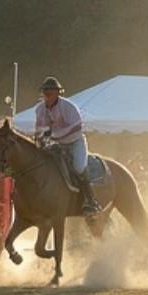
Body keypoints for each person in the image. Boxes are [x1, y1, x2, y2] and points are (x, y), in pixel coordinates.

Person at [34, 77, 98, 216]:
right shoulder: (39, 109)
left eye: (50, 93)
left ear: (58, 93)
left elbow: (76, 127)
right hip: (56, 144)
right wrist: (40, 139)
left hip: (75, 142)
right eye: (45, 93)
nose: (47, 96)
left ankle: (90, 201)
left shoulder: (69, 107)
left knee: (78, 167)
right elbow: (39, 129)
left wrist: (52, 133)